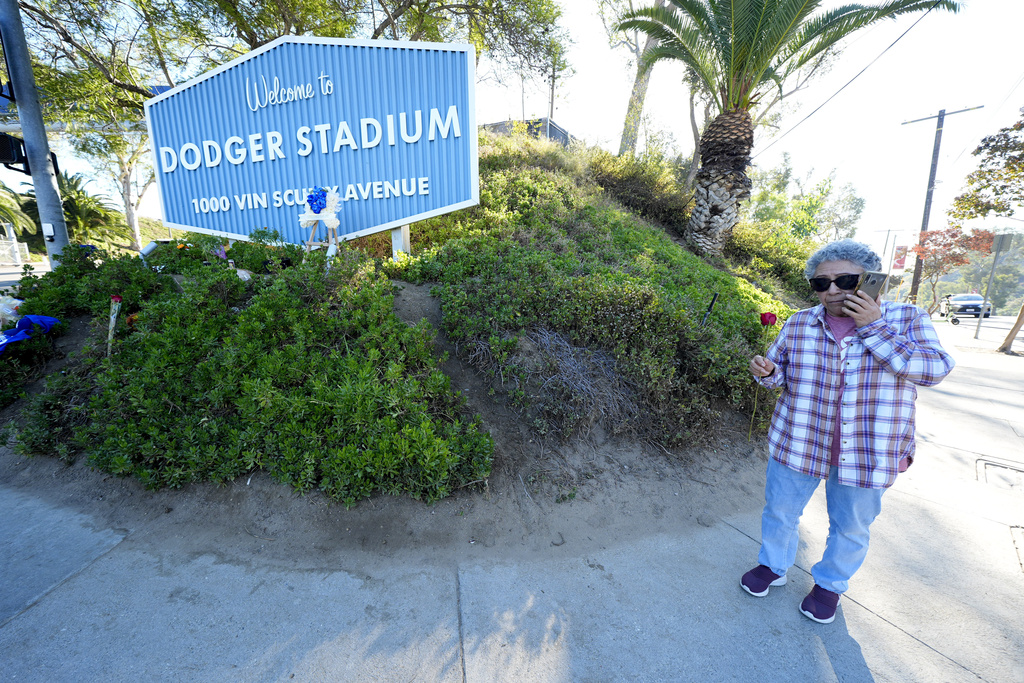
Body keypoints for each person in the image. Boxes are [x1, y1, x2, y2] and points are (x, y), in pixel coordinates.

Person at [741, 239, 955, 624]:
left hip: (868, 451)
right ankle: (773, 566)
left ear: (868, 279)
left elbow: (934, 369)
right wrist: (769, 375)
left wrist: (874, 328)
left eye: (844, 280)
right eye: (821, 284)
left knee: (851, 526)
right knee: (780, 511)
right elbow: (780, 375)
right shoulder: (800, 322)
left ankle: (829, 585)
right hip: (800, 439)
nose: (833, 291)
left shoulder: (907, 319)